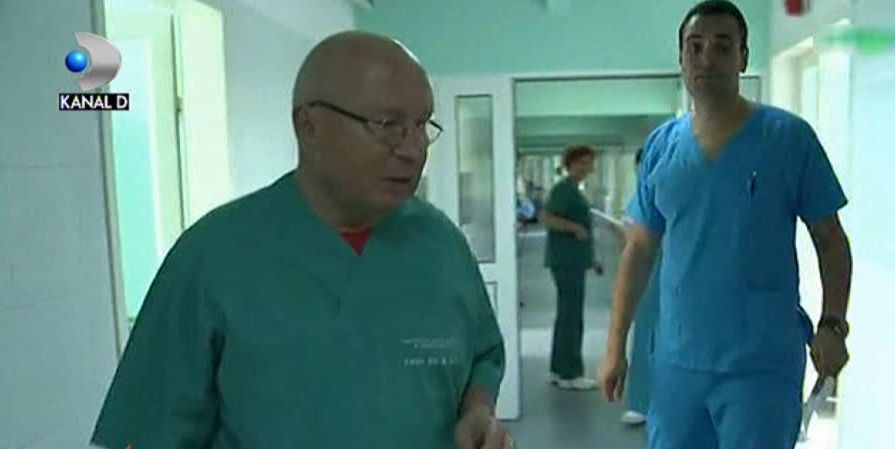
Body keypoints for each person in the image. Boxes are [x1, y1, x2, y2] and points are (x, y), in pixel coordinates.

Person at [90, 31, 515, 449]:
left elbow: (482, 354)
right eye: (387, 125)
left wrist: (479, 411)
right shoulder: (213, 258)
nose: (414, 149)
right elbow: (146, 427)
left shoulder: (441, 245)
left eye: (421, 125)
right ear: (308, 126)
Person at [598, 2, 853, 448]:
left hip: (761, 366)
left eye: (721, 46)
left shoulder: (788, 138)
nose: (706, 59)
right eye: (694, 47)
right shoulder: (662, 147)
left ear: (743, 57)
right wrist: (615, 345)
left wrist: (833, 324)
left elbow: (830, 240)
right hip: (679, 364)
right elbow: (638, 250)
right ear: (681, 58)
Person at [539, 145, 604, 390]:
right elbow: (547, 218)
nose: (588, 168)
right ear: (571, 164)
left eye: (590, 163)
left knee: (566, 315)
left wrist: (592, 258)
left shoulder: (573, 190)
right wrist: (574, 228)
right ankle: (571, 373)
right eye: (583, 163)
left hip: (573, 260)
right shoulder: (564, 189)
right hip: (566, 261)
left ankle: (559, 369)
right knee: (571, 317)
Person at [620, 147, 658, 426]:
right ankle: (642, 401)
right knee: (647, 333)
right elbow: (635, 238)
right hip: (651, 275)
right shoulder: (645, 196)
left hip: (681, 275)